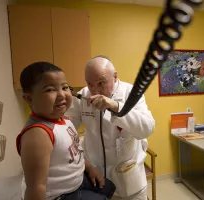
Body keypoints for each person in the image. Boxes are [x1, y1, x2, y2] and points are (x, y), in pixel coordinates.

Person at [66, 56, 155, 200]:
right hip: (97, 179)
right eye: (90, 84)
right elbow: (66, 130)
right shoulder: (82, 96)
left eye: (101, 83)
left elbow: (147, 128)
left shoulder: (131, 93)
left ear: (114, 76)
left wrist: (115, 106)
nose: (95, 90)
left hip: (129, 179)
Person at [16, 62, 108, 200]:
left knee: (108, 188)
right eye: (50, 90)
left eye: (65, 87)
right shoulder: (38, 134)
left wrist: (90, 169)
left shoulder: (64, 120)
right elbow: (36, 187)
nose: (62, 95)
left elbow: (76, 151)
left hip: (76, 180)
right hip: (60, 195)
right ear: (29, 98)